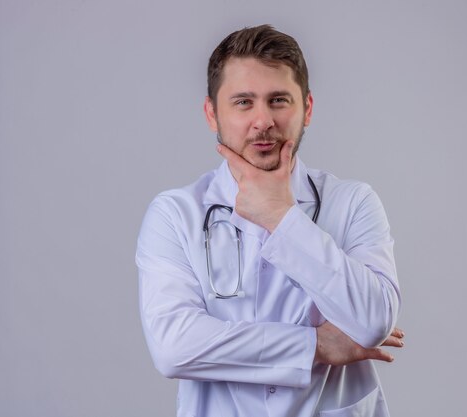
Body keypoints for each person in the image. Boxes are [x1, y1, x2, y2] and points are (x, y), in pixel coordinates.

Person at [136, 24, 403, 417]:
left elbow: (374, 320)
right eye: (243, 102)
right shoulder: (175, 214)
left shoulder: (352, 202)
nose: (263, 121)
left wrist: (281, 216)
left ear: (306, 108)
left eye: (279, 100)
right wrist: (316, 345)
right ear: (212, 113)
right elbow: (174, 347)